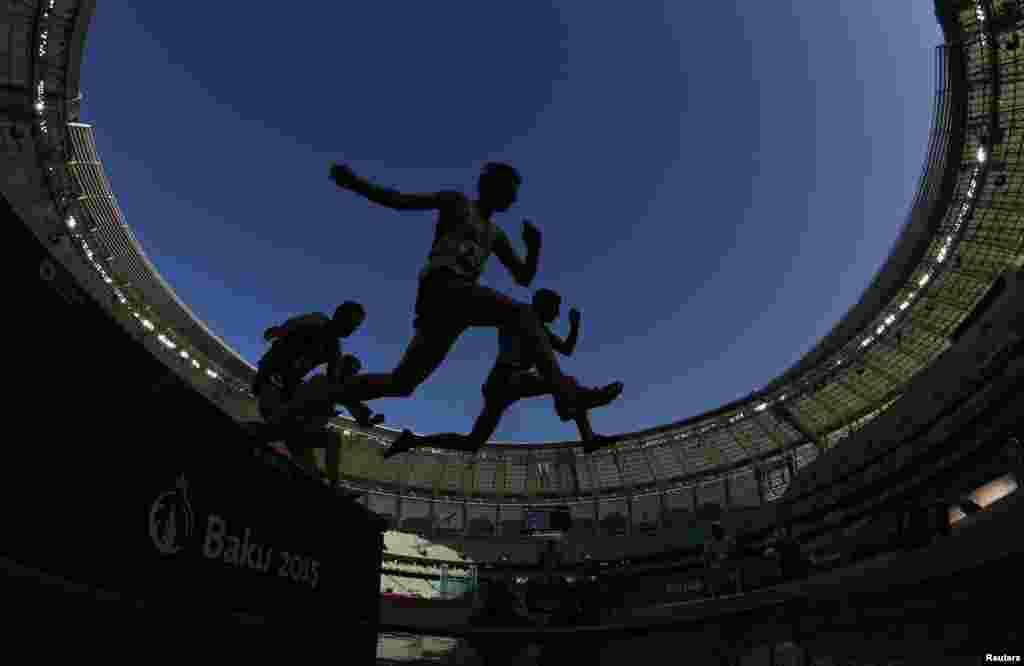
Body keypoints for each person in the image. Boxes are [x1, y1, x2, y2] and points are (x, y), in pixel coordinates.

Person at [278, 161, 623, 425]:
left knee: (403, 382)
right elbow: (399, 200)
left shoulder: (496, 235)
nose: (512, 199)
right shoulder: (457, 203)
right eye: (509, 191)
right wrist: (355, 183)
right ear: (491, 186)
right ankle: (565, 392)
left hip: (456, 305)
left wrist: (535, 249)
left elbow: (522, 277)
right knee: (521, 314)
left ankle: (322, 393)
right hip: (443, 286)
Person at [382, 288, 621, 458]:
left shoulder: (541, 330)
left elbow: (566, 349)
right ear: (542, 304)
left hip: (501, 385)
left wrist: (575, 327)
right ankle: (580, 409)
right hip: (508, 377)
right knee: (564, 382)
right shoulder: (518, 315)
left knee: (472, 443)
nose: (557, 315)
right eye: (555, 309)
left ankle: (413, 440)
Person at [251, 301, 383, 465]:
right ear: (339, 315)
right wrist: (280, 331)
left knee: (294, 436)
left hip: (286, 389)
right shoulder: (318, 321)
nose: (352, 330)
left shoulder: (334, 350)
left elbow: (337, 387)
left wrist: (362, 413)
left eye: (356, 327)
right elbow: (289, 326)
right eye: (352, 324)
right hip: (272, 379)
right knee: (284, 427)